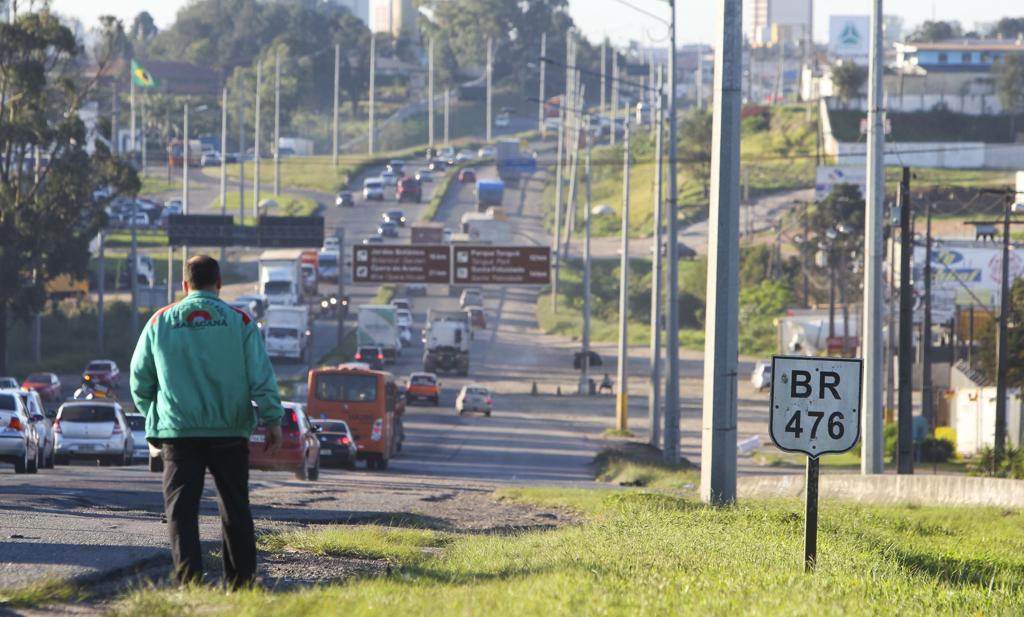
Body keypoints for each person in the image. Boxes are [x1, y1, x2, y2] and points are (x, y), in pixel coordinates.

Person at [130, 255, 284, 589]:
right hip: (229, 431)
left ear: (185, 286)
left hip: (178, 432)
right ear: (219, 285)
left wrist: (155, 417)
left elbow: (139, 381)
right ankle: (241, 585)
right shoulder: (240, 321)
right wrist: (273, 420)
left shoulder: (159, 322)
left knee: (181, 511)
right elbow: (262, 378)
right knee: (234, 508)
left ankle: (189, 584)